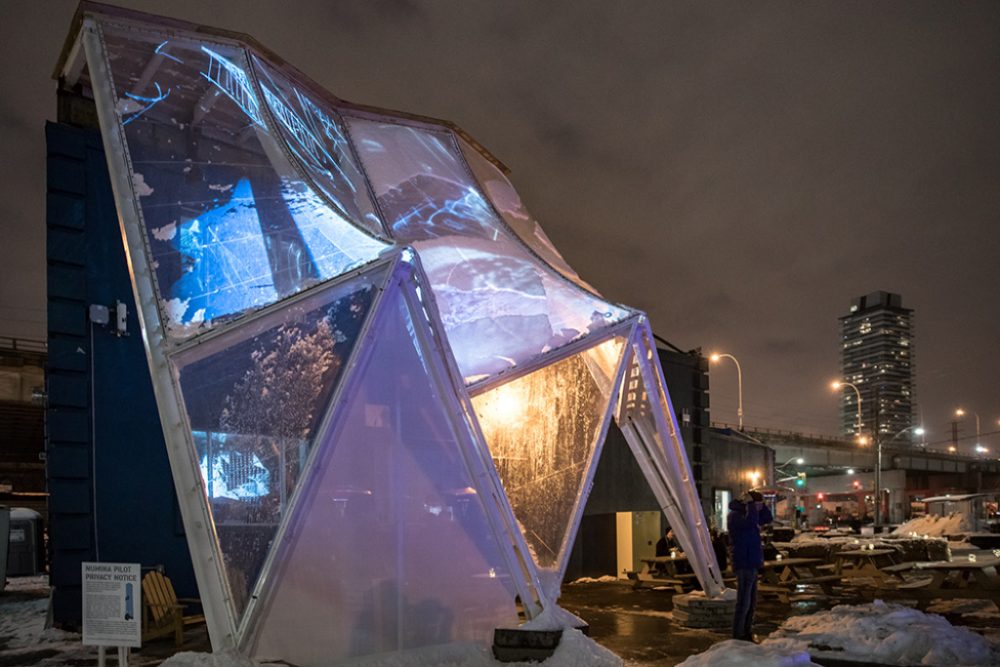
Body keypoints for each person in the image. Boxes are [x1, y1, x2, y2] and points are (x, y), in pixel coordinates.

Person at [728, 490, 773, 642]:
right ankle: (738, 634)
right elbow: (750, 523)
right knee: (744, 601)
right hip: (744, 562)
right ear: (748, 504)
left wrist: (762, 506)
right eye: (757, 504)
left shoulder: (750, 514)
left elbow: (767, 518)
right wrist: (753, 506)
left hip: (752, 561)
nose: (758, 507)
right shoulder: (735, 516)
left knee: (752, 601)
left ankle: (746, 631)